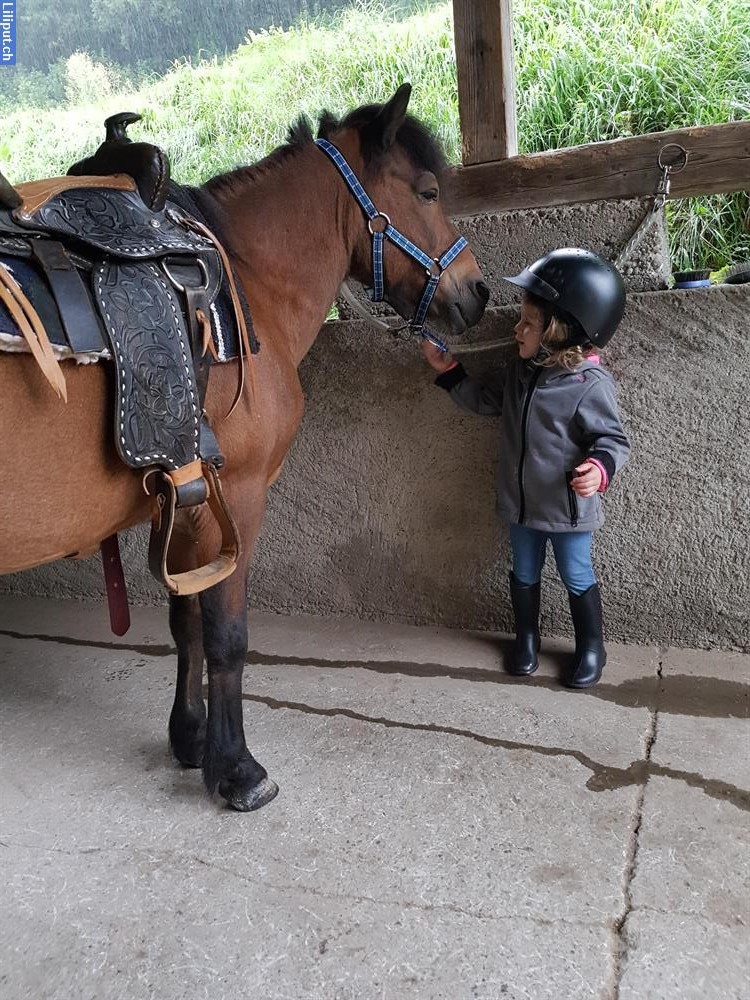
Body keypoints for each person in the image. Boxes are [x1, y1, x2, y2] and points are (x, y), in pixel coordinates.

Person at [422, 248, 630, 688]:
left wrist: (599, 468)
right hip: (520, 506)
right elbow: (488, 401)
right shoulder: (521, 371)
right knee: (523, 572)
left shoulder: (588, 385)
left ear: (558, 332)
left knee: (576, 574)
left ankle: (592, 646)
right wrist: (450, 372)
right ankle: (527, 639)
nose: (516, 329)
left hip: (566, 510)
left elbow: (612, 439)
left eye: (528, 324)